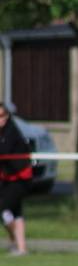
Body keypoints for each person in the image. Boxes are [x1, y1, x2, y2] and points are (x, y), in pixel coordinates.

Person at [0, 103, 32, 256]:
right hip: (8, 178)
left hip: (20, 178)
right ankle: (21, 247)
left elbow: (4, 151)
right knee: (16, 212)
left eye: (1, 116)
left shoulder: (11, 132)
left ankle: (15, 240)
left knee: (3, 209)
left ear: (7, 116)